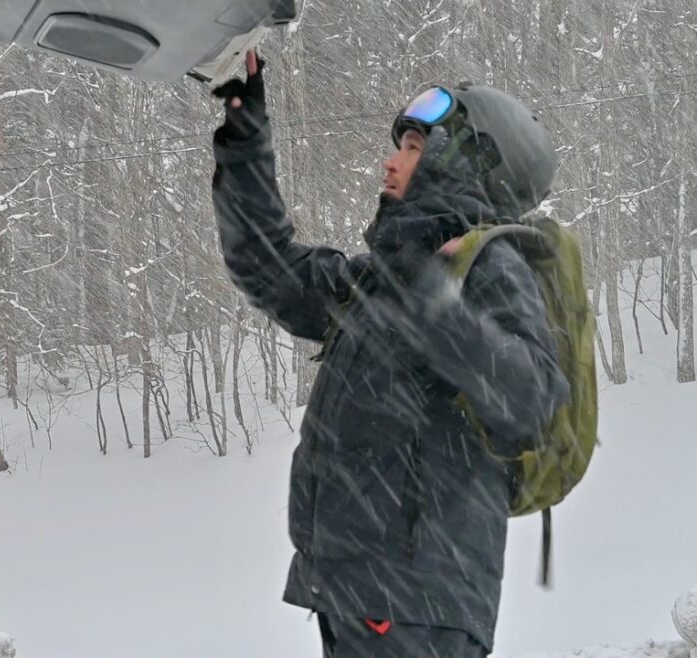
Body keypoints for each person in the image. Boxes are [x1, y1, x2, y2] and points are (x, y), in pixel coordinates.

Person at [210, 51, 571, 657]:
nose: (390, 160)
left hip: (418, 604)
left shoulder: (488, 266)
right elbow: (268, 266)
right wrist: (245, 130)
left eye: (412, 147)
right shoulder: (382, 281)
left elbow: (532, 398)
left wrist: (434, 301)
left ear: (464, 162)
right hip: (358, 593)